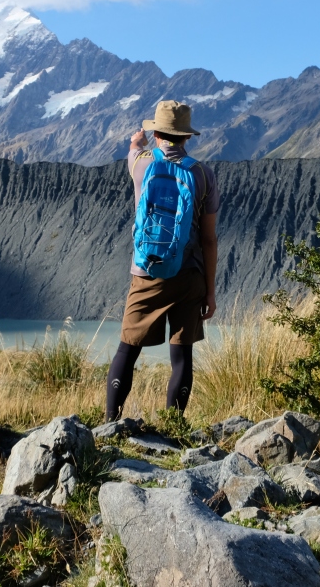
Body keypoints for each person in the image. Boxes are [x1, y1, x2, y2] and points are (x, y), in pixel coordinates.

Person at [105, 100, 219, 421]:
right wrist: (210, 292)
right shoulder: (203, 175)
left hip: (146, 272)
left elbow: (132, 153)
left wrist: (135, 143)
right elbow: (209, 240)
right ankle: (172, 427)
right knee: (182, 356)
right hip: (190, 276)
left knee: (128, 349)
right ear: (187, 137)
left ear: (156, 133)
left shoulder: (140, 164)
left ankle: (110, 422)